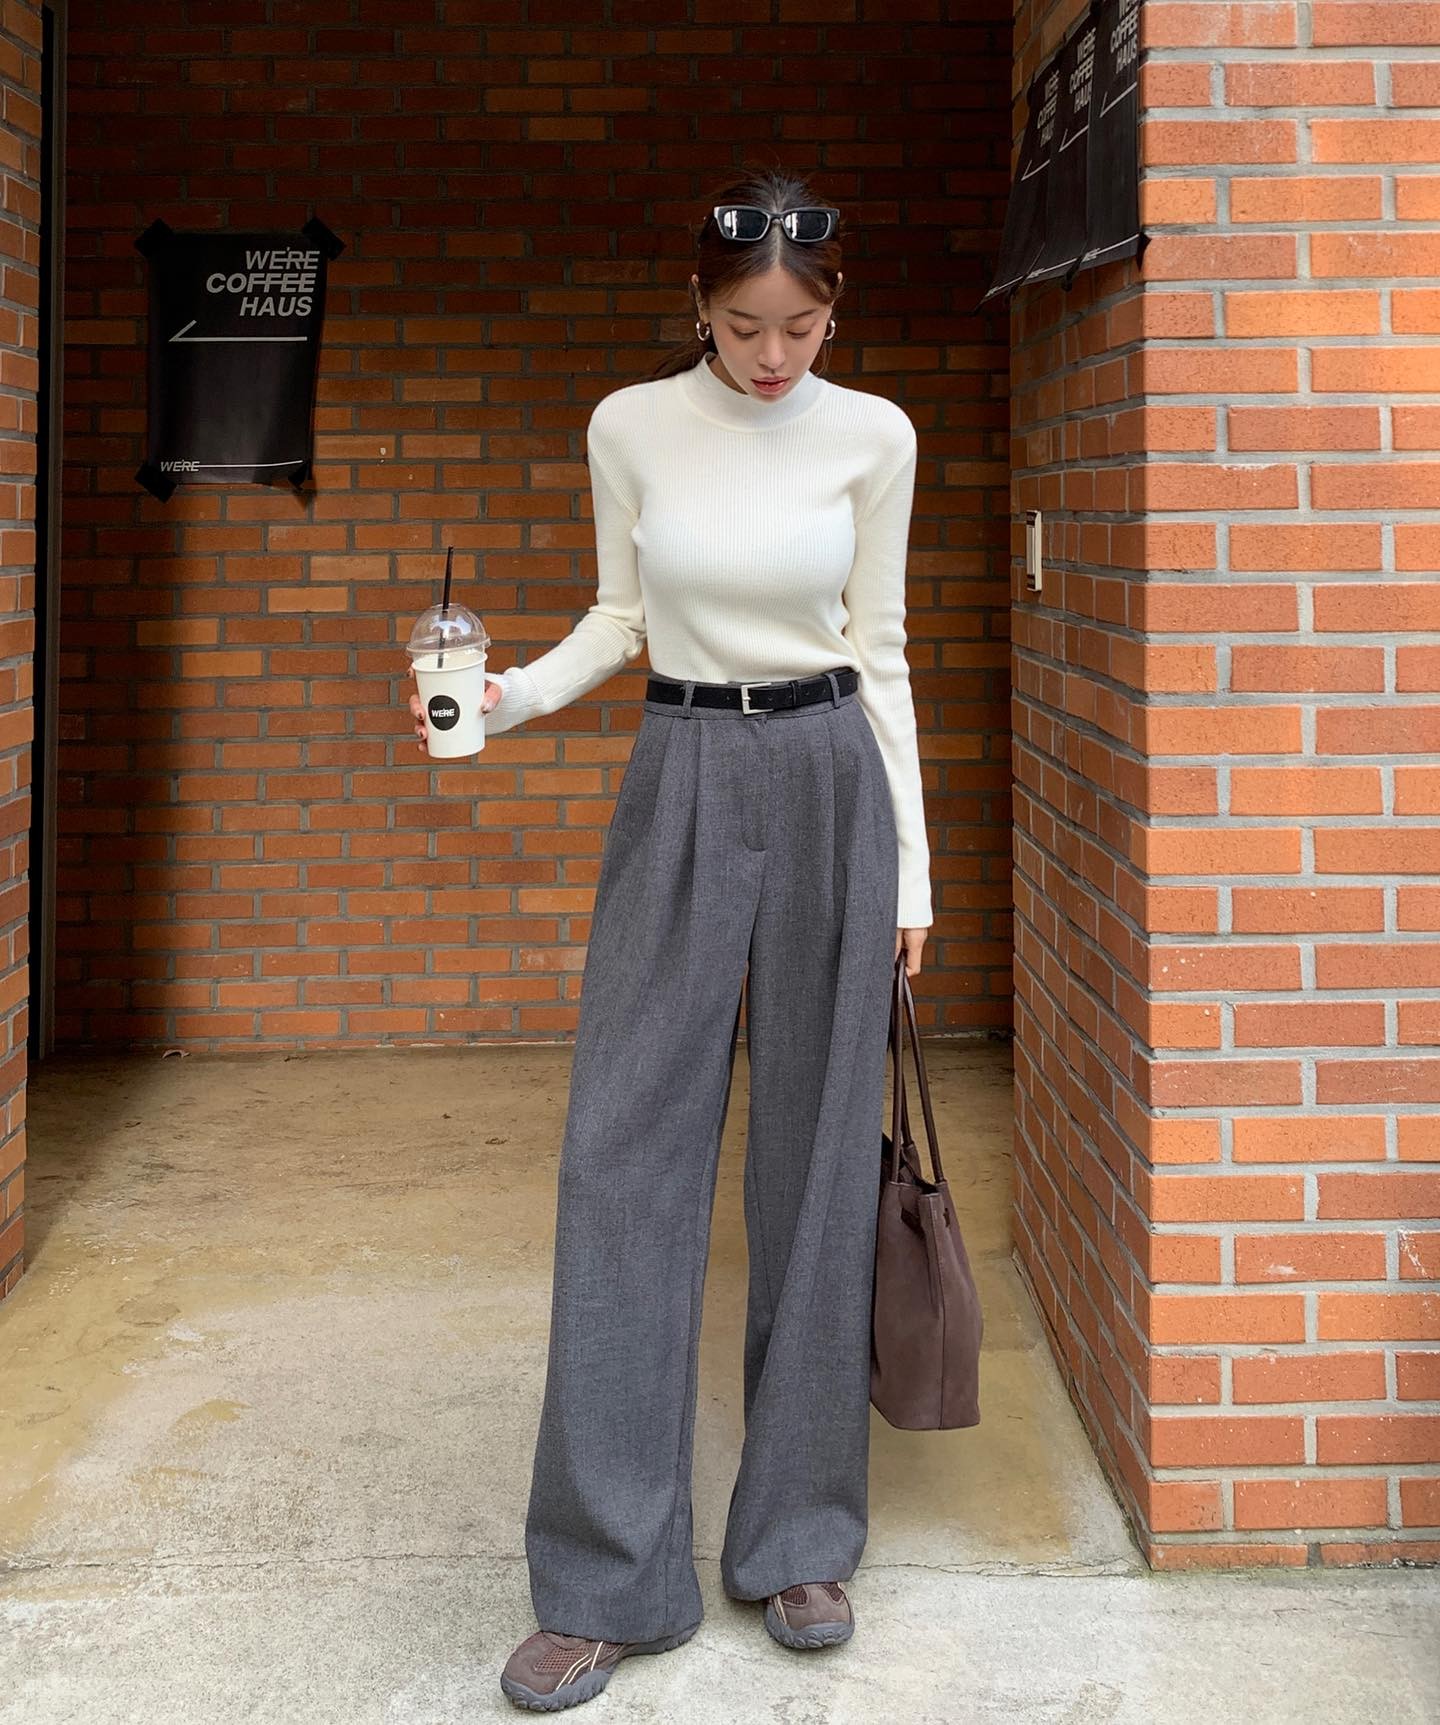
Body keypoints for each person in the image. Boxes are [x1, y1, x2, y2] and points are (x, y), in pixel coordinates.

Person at [406, 168, 932, 1712]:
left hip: (832, 773)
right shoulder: (630, 424)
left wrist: (915, 872)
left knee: (818, 1160)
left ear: (834, 311)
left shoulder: (875, 435)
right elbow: (619, 614)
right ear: (699, 308)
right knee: (620, 1155)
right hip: (685, 767)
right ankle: (603, 1577)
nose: (774, 356)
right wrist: (502, 699)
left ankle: (800, 1539)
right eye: (745, 325)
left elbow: (882, 651)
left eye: (801, 327)